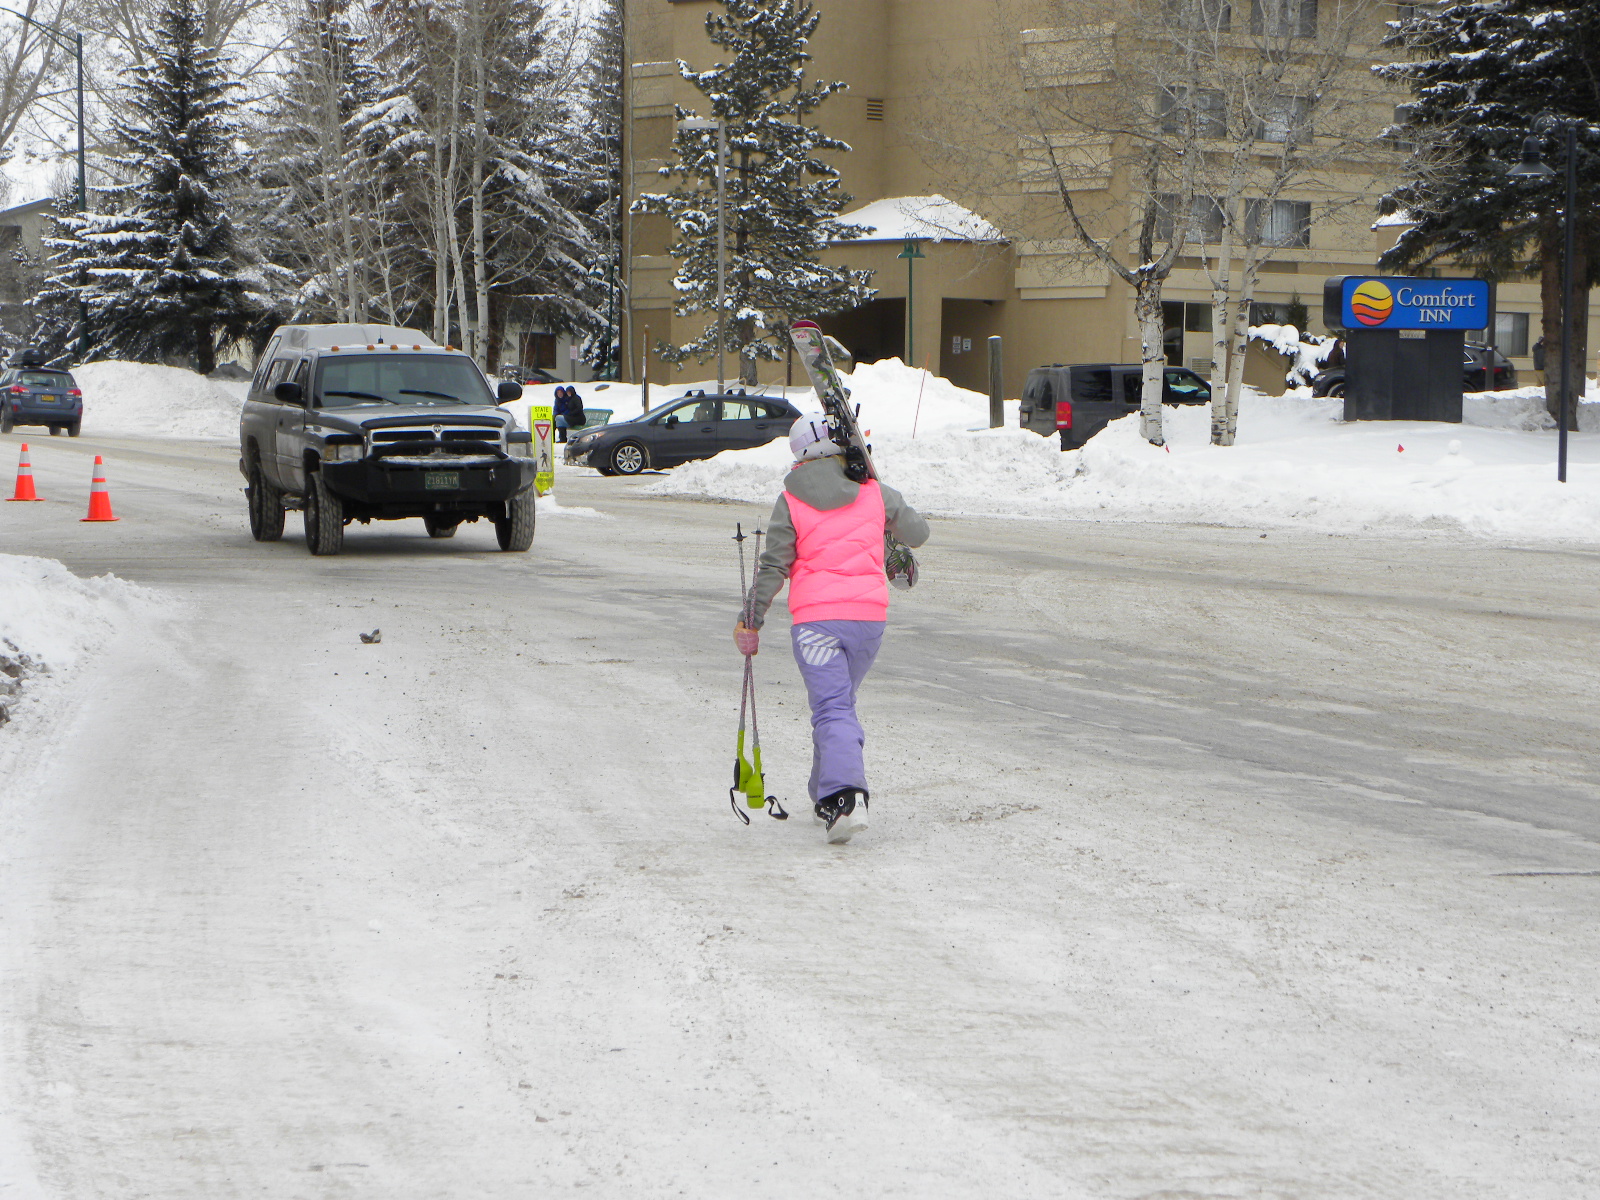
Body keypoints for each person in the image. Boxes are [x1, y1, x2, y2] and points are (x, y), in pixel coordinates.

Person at [733, 416, 929, 844]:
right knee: (838, 705)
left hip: (817, 625)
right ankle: (823, 793)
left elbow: (774, 565)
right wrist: (882, 502)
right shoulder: (874, 491)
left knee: (833, 708)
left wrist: (750, 618)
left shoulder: (790, 500)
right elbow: (918, 533)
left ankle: (845, 796)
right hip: (868, 622)